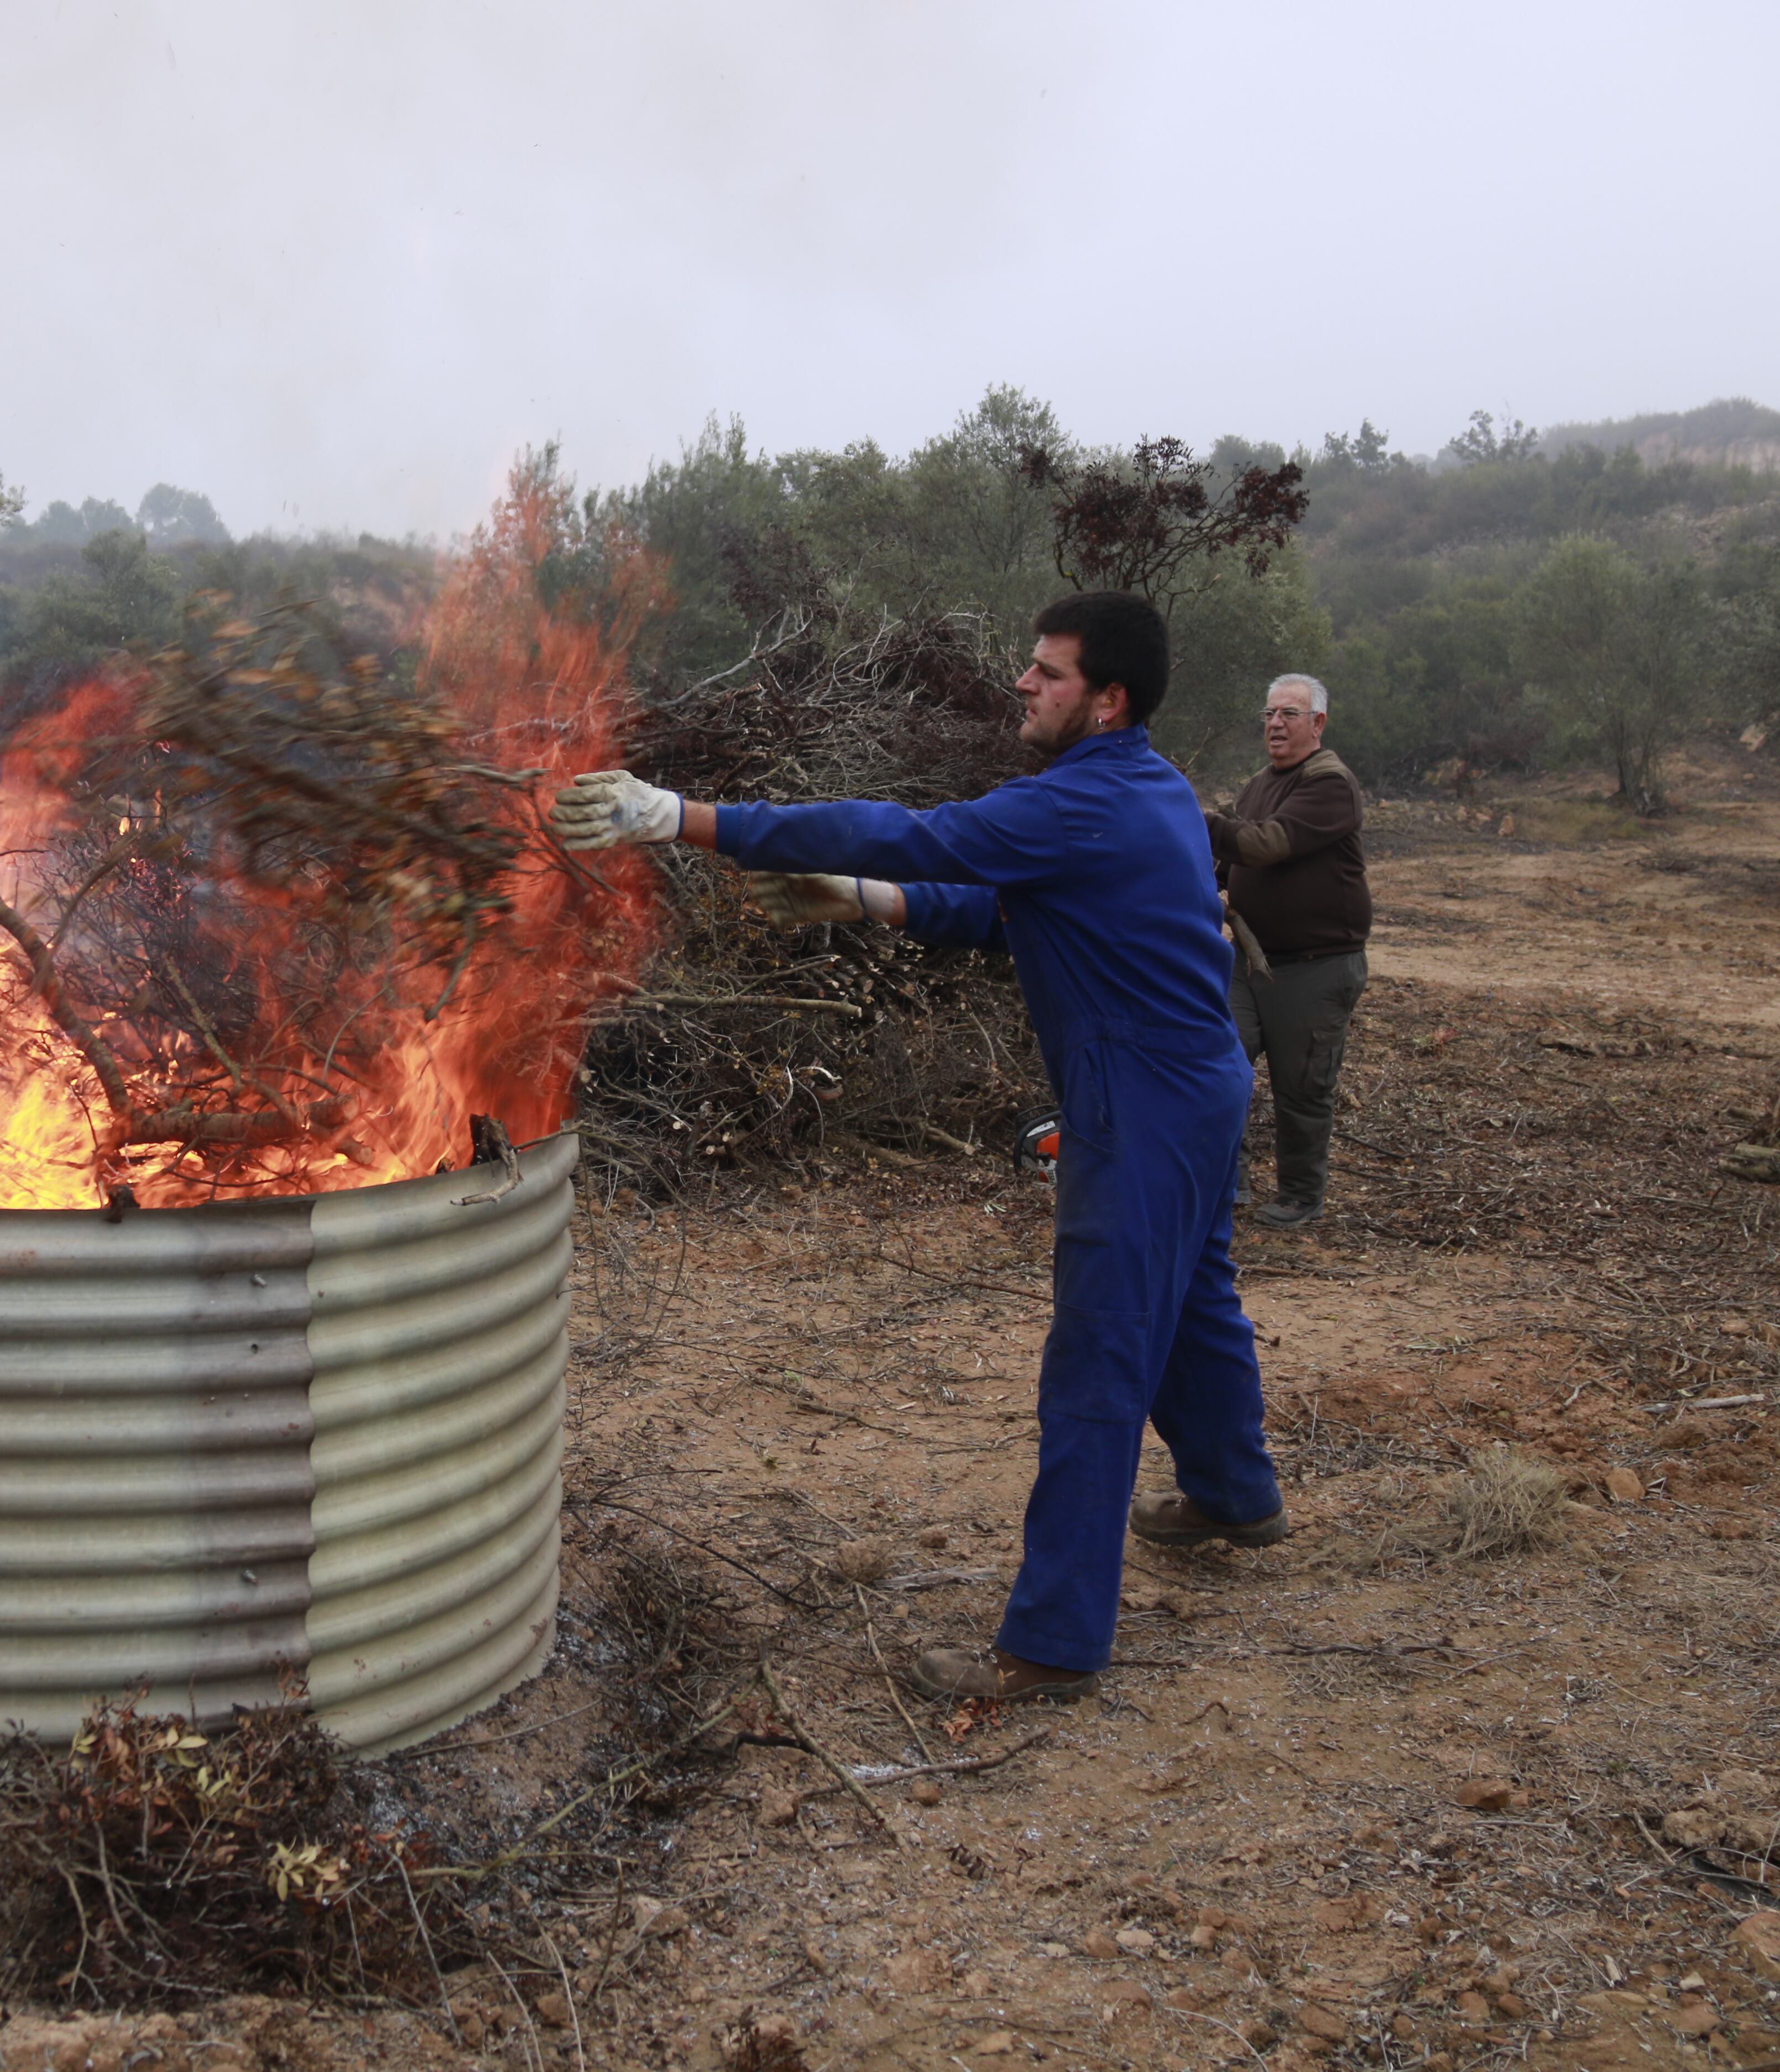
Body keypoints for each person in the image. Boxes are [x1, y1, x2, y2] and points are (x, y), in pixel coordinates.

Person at [550, 591, 1284, 1705]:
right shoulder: (1142, 785)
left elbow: (916, 829)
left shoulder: (1085, 800)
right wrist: (867, 901)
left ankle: (1051, 1644)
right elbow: (1009, 908)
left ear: (1107, 700)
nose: (1024, 685)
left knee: (1099, 1356)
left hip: (1140, 1103)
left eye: (1047, 672)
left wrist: (680, 817)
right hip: (1193, 1085)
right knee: (1193, 1302)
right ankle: (1235, 1495)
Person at [1209, 674, 1370, 1226]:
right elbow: (1229, 862)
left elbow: (1264, 844)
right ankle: (1227, 1183)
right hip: (1251, 958)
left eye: (1289, 714)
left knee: (1301, 1086)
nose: (1275, 723)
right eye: (1269, 713)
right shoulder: (1258, 783)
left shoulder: (1329, 782)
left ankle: (1300, 1196)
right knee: (1218, 1060)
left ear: (1317, 724)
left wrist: (1193, 820)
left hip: (1316, 966)